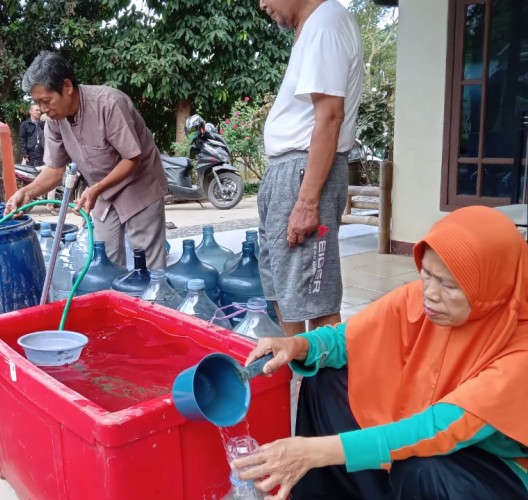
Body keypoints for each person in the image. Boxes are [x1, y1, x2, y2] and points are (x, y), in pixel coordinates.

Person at [234, 206, 528, 499]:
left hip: (495, 465)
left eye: (449, 285)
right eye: (427, 273)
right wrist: (296, 345)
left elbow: (440, 428)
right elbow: (347, 339)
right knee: (326, 379)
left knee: (423, 467)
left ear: (494, 287)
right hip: (422, 415)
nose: (430, 292)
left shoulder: (521, 352)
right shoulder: (421, 300)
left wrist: (313, 451)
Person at [256, 0, 363, 336]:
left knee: (315, 299)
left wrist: (307, 201)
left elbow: (330, 117)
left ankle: (325, 372)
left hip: (304, 173)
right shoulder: (315, 26)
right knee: (282, 287)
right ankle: (296, 366)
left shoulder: (325, 24)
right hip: (289, 171)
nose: (262, 4)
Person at [5, 51, 168, 269]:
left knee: (146, 263)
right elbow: (54, 170)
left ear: (67, 86)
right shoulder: (54, 121)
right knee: (104, 260)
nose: (43, 109)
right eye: (37, 103)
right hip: (100, 193)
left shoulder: (109, 104)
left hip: (139, 184)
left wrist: (96, 189)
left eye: (46, 101)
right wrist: (27, 193)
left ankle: (152, 290)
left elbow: (132, 158)